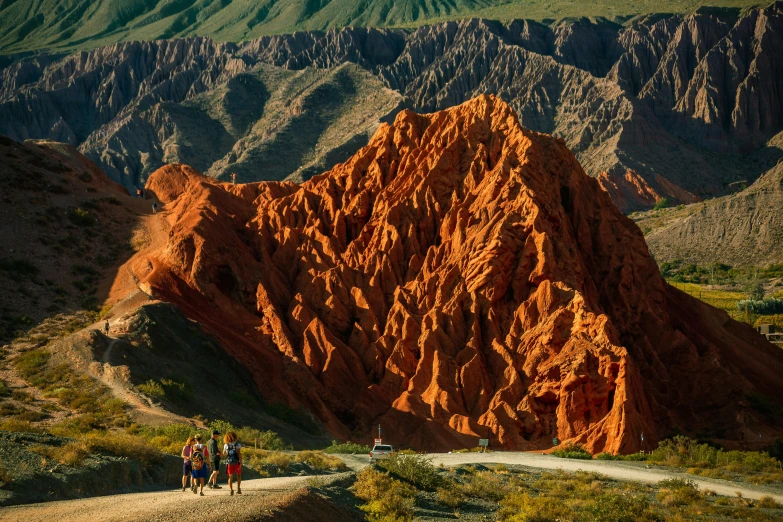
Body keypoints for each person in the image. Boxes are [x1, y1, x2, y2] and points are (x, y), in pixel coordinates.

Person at [223, 431, 242, 495]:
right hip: (236, 462)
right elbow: (239, 454)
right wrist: (241, 462)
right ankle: (238, 488)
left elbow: (224, 453)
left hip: (229, 463)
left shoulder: (226, 445)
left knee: (230, 476)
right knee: (238, 475)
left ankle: (231, 490)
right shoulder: (237, 444)